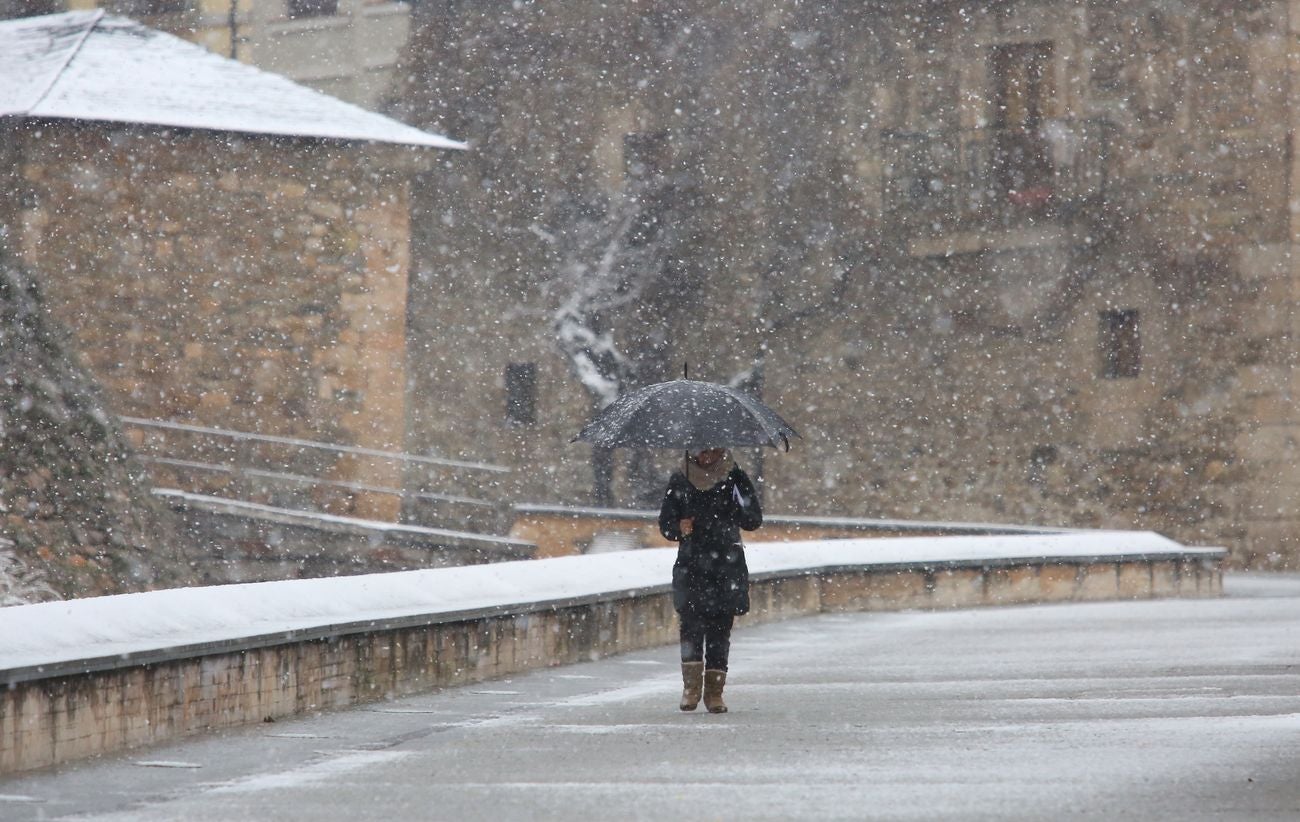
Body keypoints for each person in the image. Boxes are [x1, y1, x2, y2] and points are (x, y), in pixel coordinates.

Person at [658, 447, 762, 713]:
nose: (706, 457)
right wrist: (679, 528)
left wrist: (733, 507)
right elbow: (666, 524)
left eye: (711, 450)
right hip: (692, 565)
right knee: (690, 628)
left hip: (725, 566)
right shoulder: (680, 479)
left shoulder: (735, 477)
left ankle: (715, 693)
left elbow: (753, 519)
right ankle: (691, 689)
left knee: (719, 631)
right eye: (701, 451)